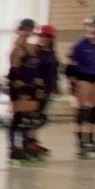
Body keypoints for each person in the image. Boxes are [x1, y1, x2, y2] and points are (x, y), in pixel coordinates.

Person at [7, 33, 47, 163]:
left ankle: (25, 145)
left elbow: (35, 71)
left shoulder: (32, 50)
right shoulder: (17, 51)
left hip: (30, 87)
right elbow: (13, 72)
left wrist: (38, 86)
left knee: (28, 119)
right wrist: (18, 86)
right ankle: (13, 147)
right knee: (18, 118)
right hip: (20, 88)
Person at [65, 16, 95, 157]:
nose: (94, 29)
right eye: (92, 27)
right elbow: (70, 65)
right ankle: (81, 142)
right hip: (83, 77)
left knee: (94, 110)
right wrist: (72, 83)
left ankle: (90, 139)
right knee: (83, 110)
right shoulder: (80, 44)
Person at [28, 25, 58, 158]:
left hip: (48, 89)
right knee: (34, 116)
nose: (42, 39)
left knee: (40, 117)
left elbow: (53, 71)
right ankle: (30, 143)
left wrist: (56, 86)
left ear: (50, 38)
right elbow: (34, 71)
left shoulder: (51, 53)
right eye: (41, 36)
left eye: (45, 36)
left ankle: (34, 141)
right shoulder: (36, 52)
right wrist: (39, 87)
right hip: (38, 90)